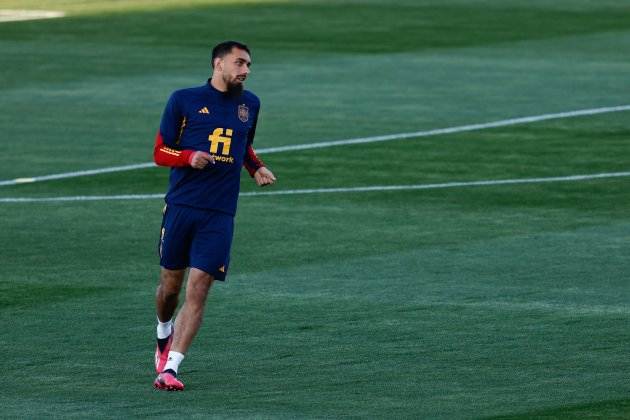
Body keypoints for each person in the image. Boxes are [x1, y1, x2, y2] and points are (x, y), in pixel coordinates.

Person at [151, 40, 276, 391]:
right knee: (170, 287)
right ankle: (163, 330)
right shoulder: (184, 100)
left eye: (249, 64)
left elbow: (242, 143)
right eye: (239, 63)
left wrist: (256, 167)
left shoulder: (250, 104)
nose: (246, 70)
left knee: (200, 286)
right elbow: (160, 150)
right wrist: (188, 157)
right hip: (182, 206)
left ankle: (171, 369)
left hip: (220, 213)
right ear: (218, 64)